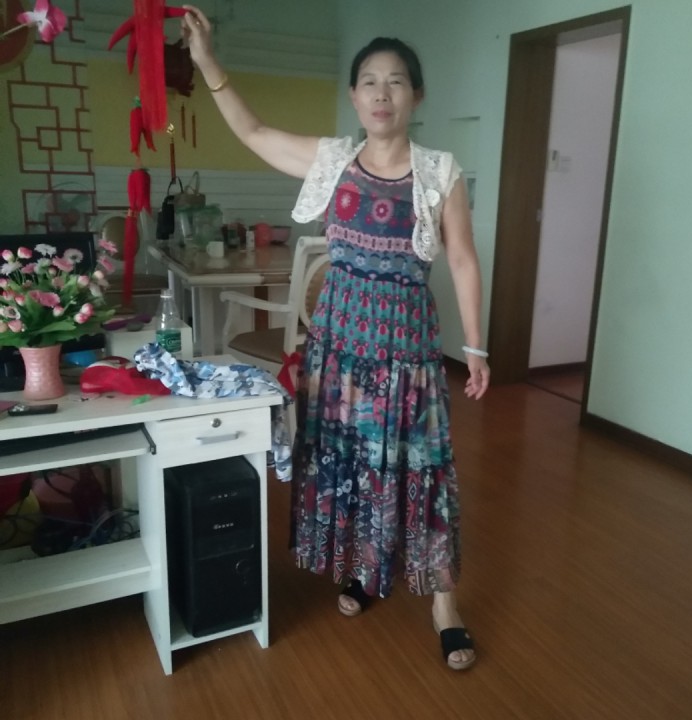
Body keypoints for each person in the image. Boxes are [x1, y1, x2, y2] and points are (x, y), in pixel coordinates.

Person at [181, 6, 490, 671]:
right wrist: (208, 63)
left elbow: (463, 258)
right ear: (354, 95)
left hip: (407, 358)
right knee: (351, 468)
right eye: (370, 81)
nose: (382, 93)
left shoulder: (440, 171)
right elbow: (253, 130)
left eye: (396, 81)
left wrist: (475, 347)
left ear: (416, 95)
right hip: (339, 353)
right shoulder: (331, 160)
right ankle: (367, 571)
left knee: (422, 470)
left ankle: (444, 606)